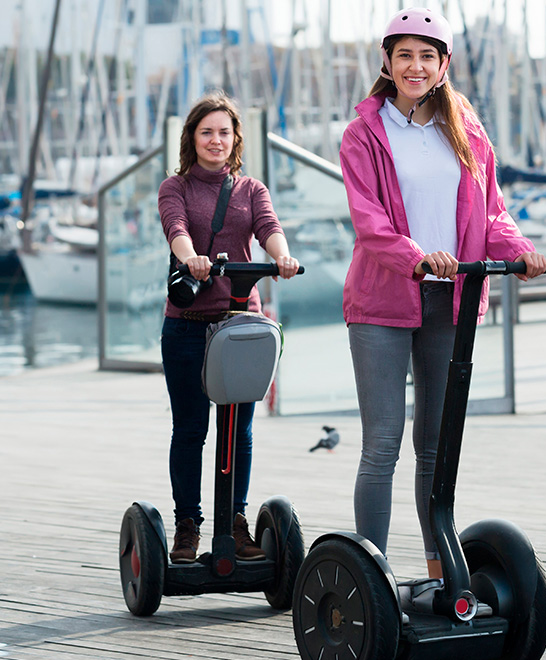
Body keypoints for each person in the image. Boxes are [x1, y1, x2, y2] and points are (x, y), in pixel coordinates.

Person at [339, 7, 546, 579]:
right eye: (404, 54)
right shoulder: (364, 133)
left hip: (449, 298)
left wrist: (520, 251)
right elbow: (370, 222)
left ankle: (437, 573)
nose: (415, 65)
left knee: (435, 446)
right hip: (383, 300)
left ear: (443, 64)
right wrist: (416, 258)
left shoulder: (467, 132)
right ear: (386, 61)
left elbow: (491, 216)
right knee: (382, 443)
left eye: (426, 56)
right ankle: (369, 575)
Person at [157, 93, 300, 564]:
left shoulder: (251, 189)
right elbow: (176, 227)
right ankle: (187, 525)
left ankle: (235, 523)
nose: (216, 140)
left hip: (240, 324)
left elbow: (268, 226)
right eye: (206, 132)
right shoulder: (174, 187)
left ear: (235, 138)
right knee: (191, 428)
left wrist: (279, 256)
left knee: (238, 430)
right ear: (192, 138)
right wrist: (190, 258)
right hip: (187, 326)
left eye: (224, 132)